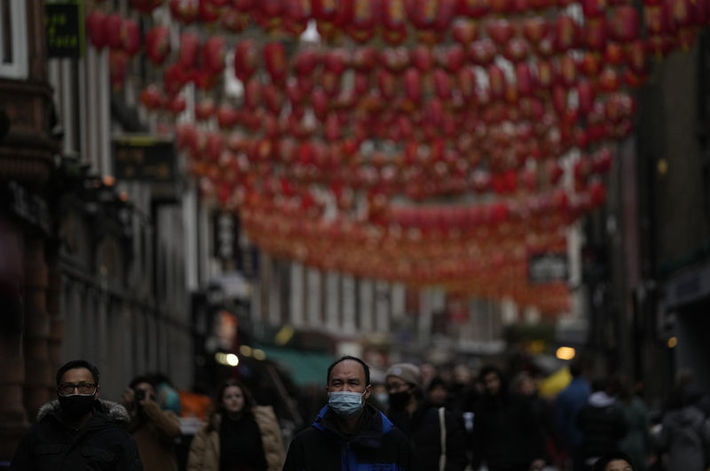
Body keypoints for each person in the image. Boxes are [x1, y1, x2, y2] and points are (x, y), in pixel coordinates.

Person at [282, 355, 413, 471]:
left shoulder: (395, 443)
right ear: (328, 390)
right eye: (337, 383)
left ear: (367, 392)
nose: (345, 390)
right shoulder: (304, 444)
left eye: (353, 383)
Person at [10, 359, 142, 470]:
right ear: (59, 391)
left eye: (84, 387)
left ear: (96, 392)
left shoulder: (118, 438)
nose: (76, 392)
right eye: (68, 387)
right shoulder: (37, 435)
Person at [187, 378, 285, 471]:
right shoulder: (210, 427)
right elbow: (196, 461)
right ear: (221, 402)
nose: (234, 400)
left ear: (244, 398)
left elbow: (278, 454)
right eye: (228, 397)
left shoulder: (264, 422)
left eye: (238, 396)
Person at [385, 363, 468, 471]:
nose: (392, 391)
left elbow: (458, 457)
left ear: (413, 386)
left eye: (396, 386)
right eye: (389, 387)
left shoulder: (440, 417)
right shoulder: (387, 419)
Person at [471, 365, 546, 471]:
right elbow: (478, 438)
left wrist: (539, 456)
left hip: (520, 460)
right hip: (496, 462)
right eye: (487, 382)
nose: (491, 385)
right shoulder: (481, 407)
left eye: (493, 380)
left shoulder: (519, 402)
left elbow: (533, 429)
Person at [123, 375, 182, 471]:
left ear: (154, 393)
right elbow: (117, 432)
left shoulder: (166, 415)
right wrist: (127, 406)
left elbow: (174, 431)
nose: (143, 395)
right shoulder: (129, 417)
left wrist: (150, 406)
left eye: (148, 390)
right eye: (139, 391)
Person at [576, 378, 627, 471]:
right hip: (609, 454)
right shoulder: (615, 409)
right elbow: (622, 432)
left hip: (589, 454)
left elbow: (579, 427)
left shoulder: (585, 409)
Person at [555, 358, 592, 471]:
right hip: (591, 438)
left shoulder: (564, 393)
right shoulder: (589, 390)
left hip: (572, 438)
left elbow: (560, 421)